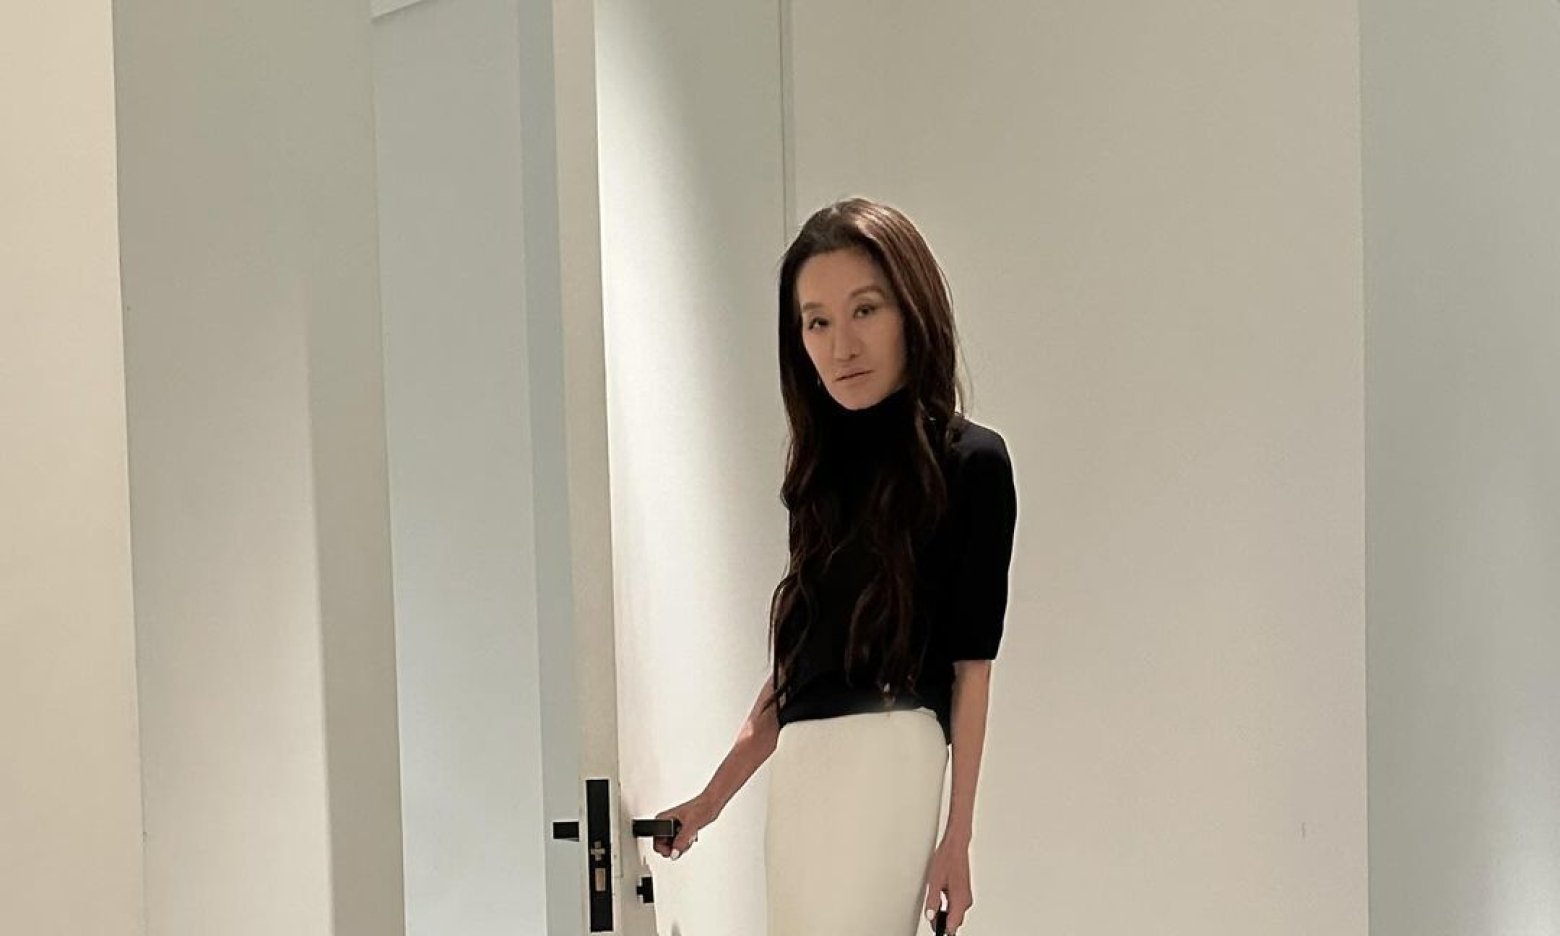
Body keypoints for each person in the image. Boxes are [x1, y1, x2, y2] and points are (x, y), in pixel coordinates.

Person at [651, 197, 1019, 936]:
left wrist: (958, 838)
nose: (841, 345)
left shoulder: (971, 462)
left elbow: (971, 668)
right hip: (804, 765)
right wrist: (710, 803)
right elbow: (797, 675)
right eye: (816, 322)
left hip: (893, 750)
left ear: (912, 312)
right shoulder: (819, 481)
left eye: (865, 310)